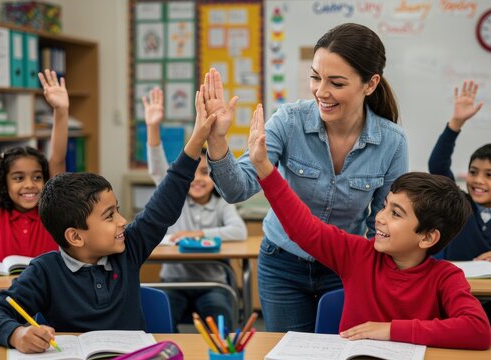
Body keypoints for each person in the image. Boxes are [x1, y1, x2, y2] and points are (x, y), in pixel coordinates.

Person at [0, 86, 217, 353]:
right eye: (109, 215)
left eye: (118, 210)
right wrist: (17, 333)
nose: (123, 221)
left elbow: (164, 204)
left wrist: (196, 142)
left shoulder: (129, 248)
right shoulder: (45, 271)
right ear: (75, 236)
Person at [204, 23, 408, 331]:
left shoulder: (392, 141)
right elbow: (237, 189)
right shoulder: (288, 121)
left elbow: (384, 221)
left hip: (346, 268)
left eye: (336, 83)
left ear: (370, 84)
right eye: (315, 77)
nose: (321, 92)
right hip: (282, 263)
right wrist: (217, 140)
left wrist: (378, 280)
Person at [246, 103, 490, 349]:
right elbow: (304, 228)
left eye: (396, 213)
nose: (380, 218)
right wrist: (265, 169)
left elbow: (478, 330)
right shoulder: (359, 255)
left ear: (427, 238)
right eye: (384, 206)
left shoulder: (446, 277)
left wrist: (390, 330)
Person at [143, 87, 247, 331]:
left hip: (212, 284)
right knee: (159, 320)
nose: (197, 180)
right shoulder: (174, 198)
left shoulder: (221, 203)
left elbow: (239, 231)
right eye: (192, 173)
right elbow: (158, 169)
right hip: (173, 282)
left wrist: (198, 235)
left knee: (221, 317)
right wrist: (153, 127)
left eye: (205, 173)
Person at [0, 66, 69, 262]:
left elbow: (57, 159)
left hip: (45, 293)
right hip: (2, 292)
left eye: (37, 177)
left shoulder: (51, 213)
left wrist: (61, 111)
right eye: (18, 178)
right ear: (4, 182)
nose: (29, 184)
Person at [428, 80, 490, 262]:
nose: (478, 180)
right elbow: (438, 164)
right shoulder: (459, 206)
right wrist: (456, 122)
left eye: (489, 175)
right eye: (473, 172)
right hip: (454, 286)